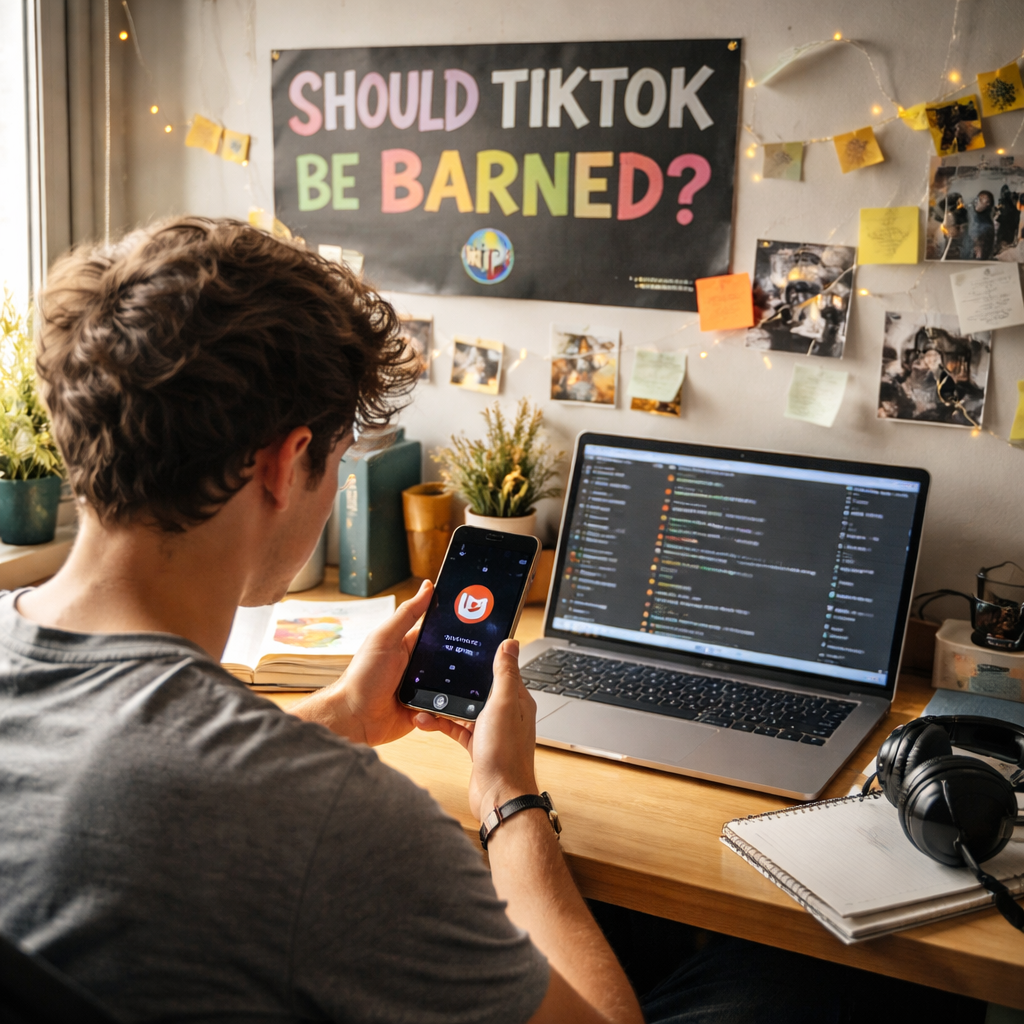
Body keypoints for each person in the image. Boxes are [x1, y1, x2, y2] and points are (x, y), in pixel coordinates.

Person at [0, 217, 987, 1024]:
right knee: (836, 983)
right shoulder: (333, 819)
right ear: (284, 462)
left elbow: (161, 781)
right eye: (340, 456)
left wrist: (335, 717)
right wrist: (511, 801)